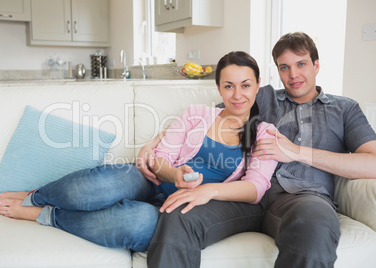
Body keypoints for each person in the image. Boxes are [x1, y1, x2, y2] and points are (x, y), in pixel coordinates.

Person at [0, 51, 278, 253]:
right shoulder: (197, 114)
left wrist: (207, 192)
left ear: (257, 86)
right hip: (148, 179)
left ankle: (44, 214)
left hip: (180, 208)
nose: (237, 94)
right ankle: (37, 194)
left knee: (135, 223)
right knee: (100, 186)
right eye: (229, 86)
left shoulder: (264, 134)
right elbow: (159, 158)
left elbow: (255, 188)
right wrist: (175, 174)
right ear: (218, 87)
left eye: (245, 85)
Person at [138, 32, 376, 268]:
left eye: (301, 64)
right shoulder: (263, 96)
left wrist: (296, 151)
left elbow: (372, 162)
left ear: (316, 65)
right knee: (180, 214)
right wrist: (152, 144)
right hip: (245, 197)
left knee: (314, 225)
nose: (293, 75)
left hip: (305, 199)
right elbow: (204, 120)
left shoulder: (345, 109)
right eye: (284, 67)